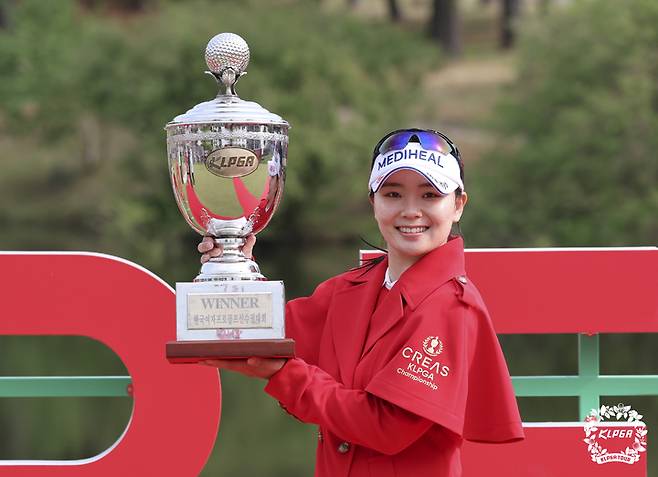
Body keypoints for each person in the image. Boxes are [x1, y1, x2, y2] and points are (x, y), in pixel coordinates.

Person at [199, 128, 524, 477]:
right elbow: (263, 331)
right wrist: (232, 273)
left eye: (430, 195)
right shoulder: (351, 288)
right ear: (374, 203)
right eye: (393, 194)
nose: (410, 211)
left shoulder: (451, 307)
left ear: (458, 205)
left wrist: (284, 373)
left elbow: (386, 427)